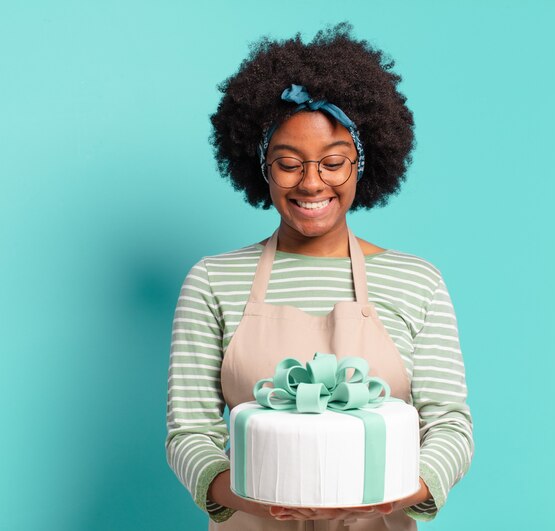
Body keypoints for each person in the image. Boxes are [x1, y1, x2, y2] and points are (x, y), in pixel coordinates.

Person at [165, 23, 473, 530]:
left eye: (333, 162)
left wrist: (398, 491)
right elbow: (189, 433)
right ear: (261, 166)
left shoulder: (416, 281)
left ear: (362, 164)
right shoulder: (213, 281)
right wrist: (250, 497)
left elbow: (450, 424)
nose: (312, 183)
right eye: (288, 163)